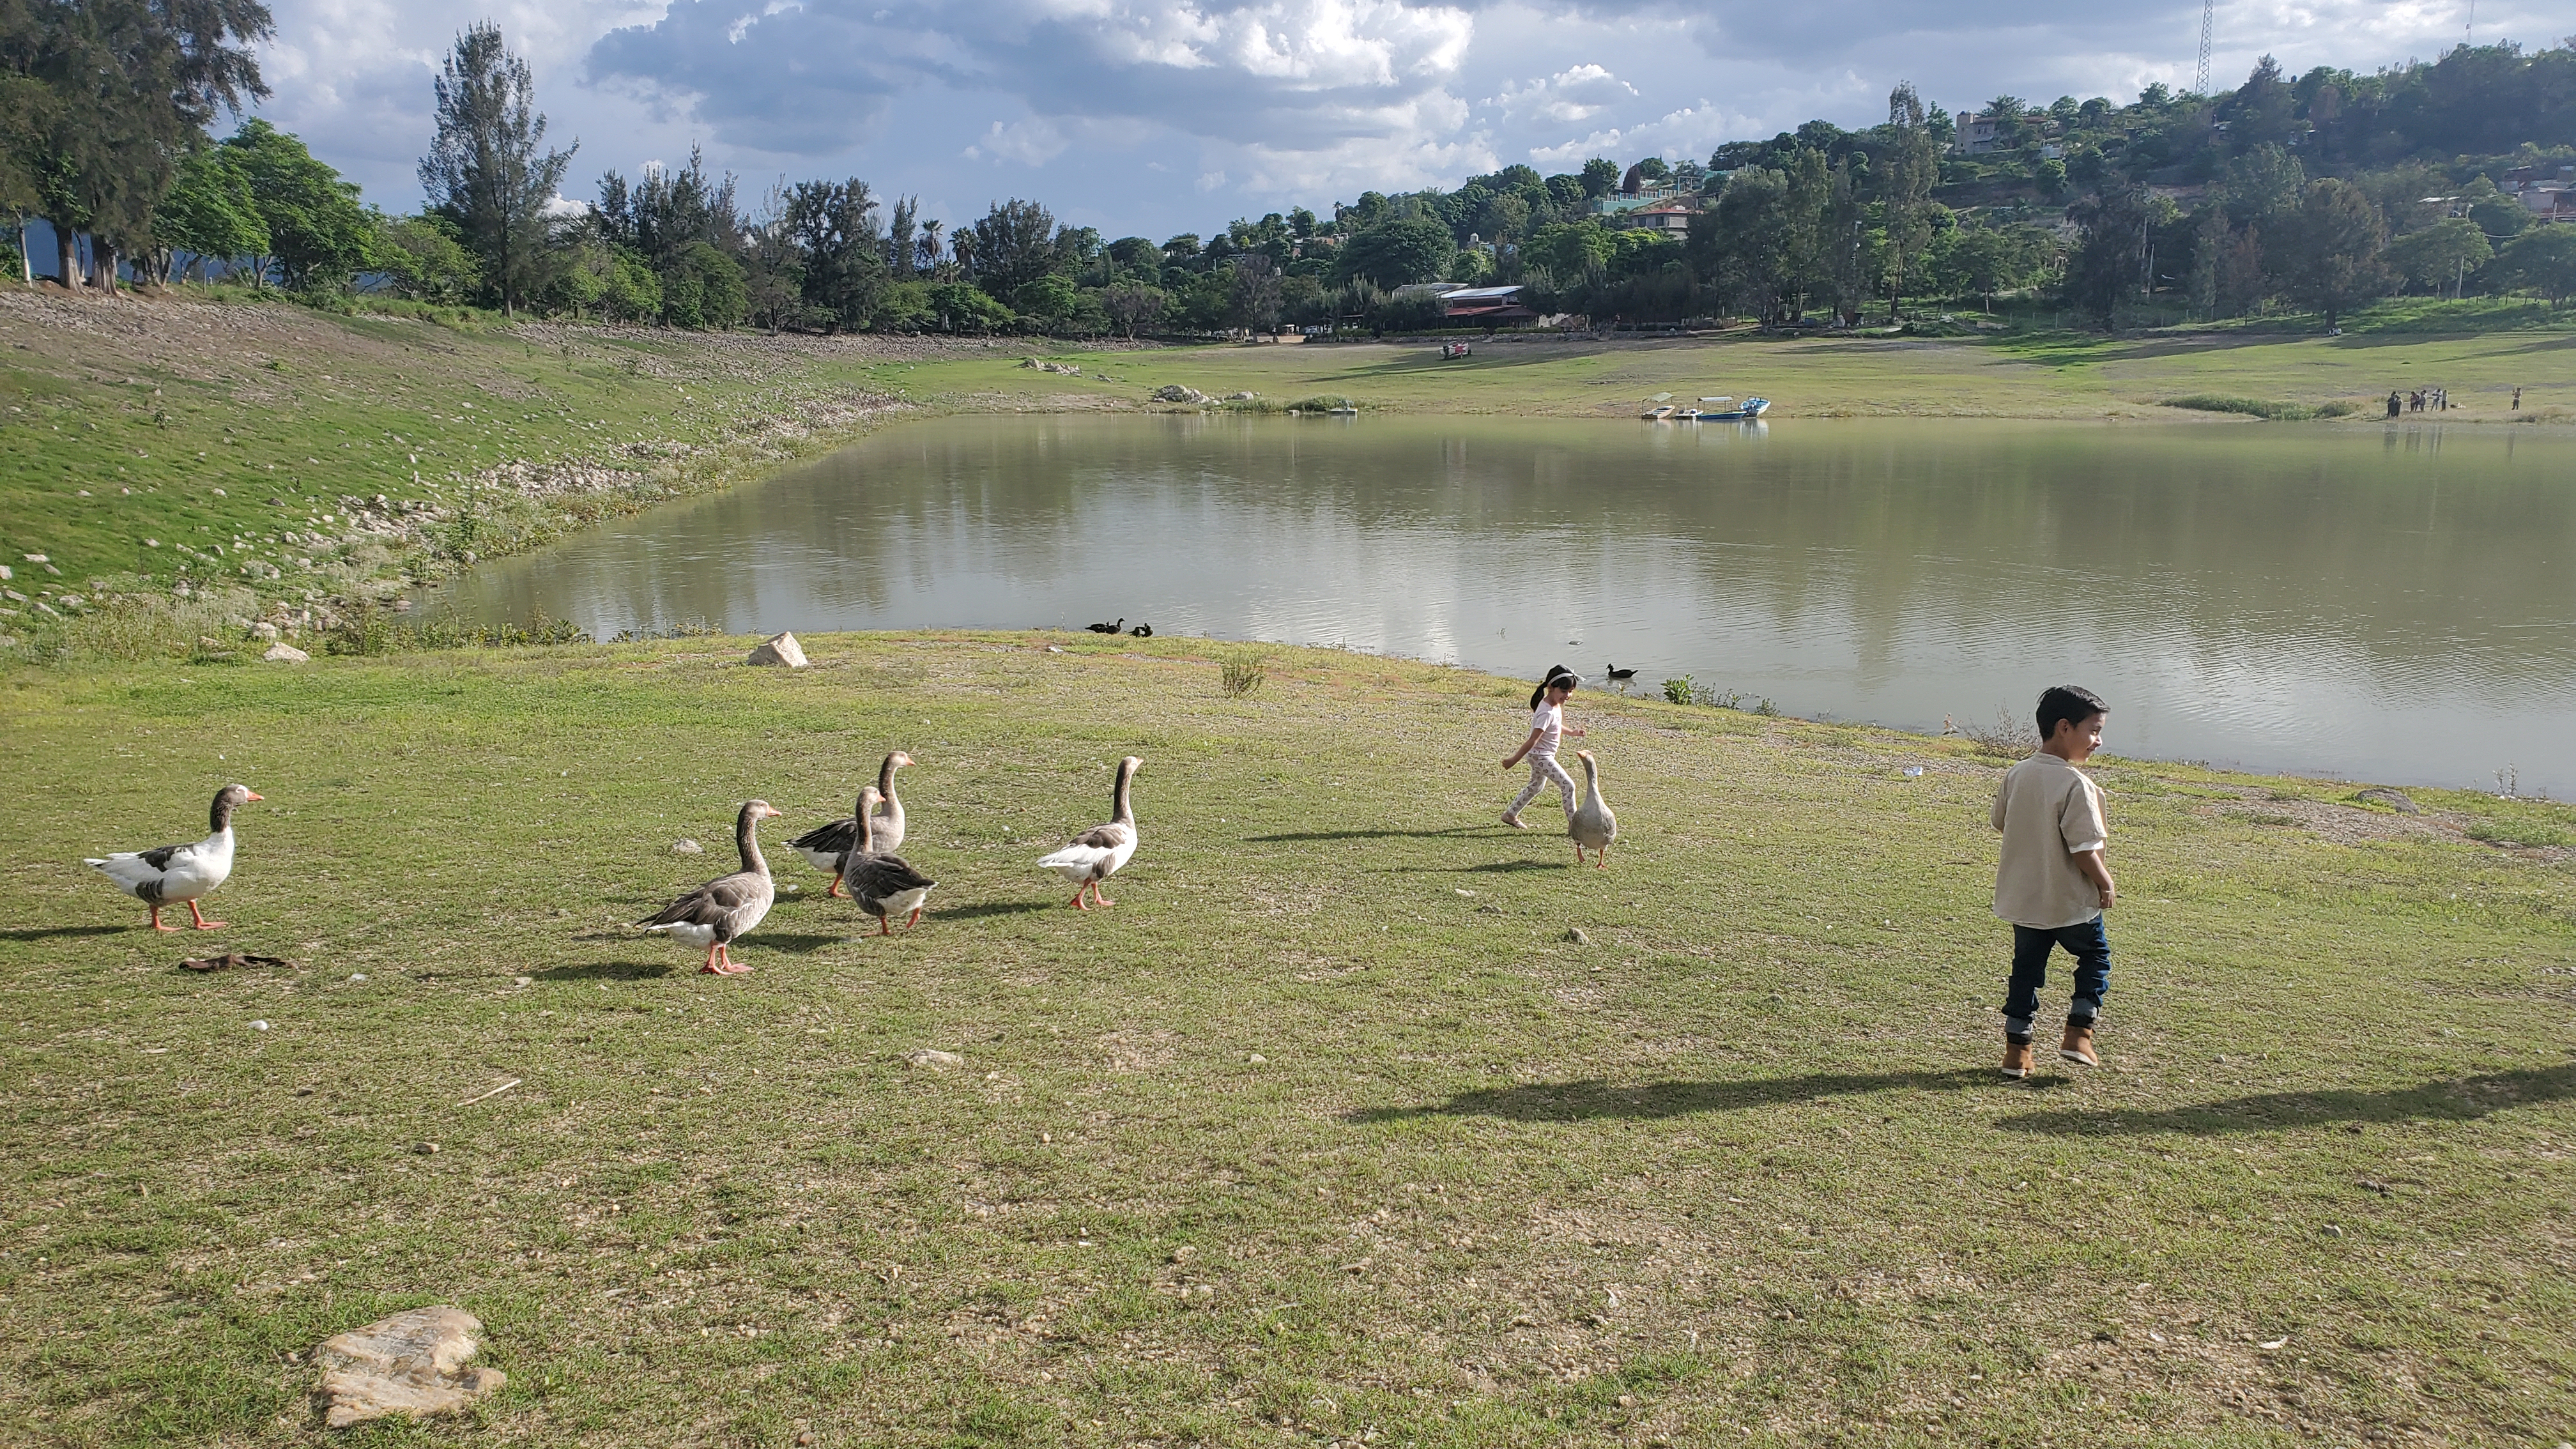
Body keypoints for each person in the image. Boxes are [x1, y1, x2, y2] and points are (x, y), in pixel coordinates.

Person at [1989, 685, 2115, 1078]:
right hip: (2069, 902)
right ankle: (2079, 1033)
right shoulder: (2077, 785)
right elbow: (2082, 849)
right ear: (2064, 727)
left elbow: (2000, 822)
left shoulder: (2017, 774)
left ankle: (2017, 1052)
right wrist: (2105, 882)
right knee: (2094, 958)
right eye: (2094, 730)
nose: (2098, 740)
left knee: (2025, 972)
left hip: (2025, 901)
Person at [1501, 665, 1586, 828]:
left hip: (1542, 756)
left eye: (1571, 691)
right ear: (1550, 688)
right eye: (1564, 691)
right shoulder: (1546, 712)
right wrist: (1514, 760)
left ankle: (1510, 815)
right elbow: (1533, 739)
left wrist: (1572, 732)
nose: (1568, 695)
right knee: (1568, 786)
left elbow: (1556, 726)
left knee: (1535, 787)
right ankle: (1574, 825)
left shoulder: (1553, 705)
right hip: (1541, 757)